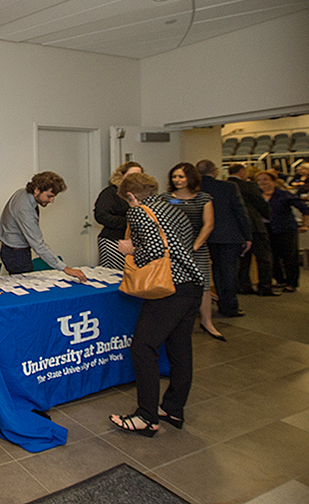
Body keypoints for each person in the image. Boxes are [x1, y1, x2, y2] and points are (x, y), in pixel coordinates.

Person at [109, 173, 203, 437]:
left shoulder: (139, 212)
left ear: (131, 196)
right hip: (192, 286)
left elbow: (153, 253)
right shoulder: (173, 209)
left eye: (127, 200)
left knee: (142, 347)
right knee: (180, 350)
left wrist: (129, 249)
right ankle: (173, 408)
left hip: (168, 289)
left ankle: (146, 416)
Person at [158, 163, 219, 338]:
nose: (177, 180)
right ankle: (172, 322)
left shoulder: (203, 198)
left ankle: (207, 322)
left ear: (190, 178)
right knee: (172, 284)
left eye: (181, 176)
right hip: (172, 250)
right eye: (174, 177)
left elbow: (208, 225)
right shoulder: (165, 198)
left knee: (203, 285)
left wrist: (194, 246)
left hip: (197, 248)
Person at [0, 171, 87, 282]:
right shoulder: (25, 209)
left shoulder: (22, 193)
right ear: (37, 190)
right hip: (16, 254)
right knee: (27, 286)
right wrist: (66, 269)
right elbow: (38, 245)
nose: (52, 201)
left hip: (11, 250)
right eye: (49, 196)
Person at [196, 160, 251, 320]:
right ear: (215, 171)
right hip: (228, 235)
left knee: (212, 271)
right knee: (228, 272)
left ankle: (210, 303)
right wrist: (247, 236)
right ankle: (229, 306)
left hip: (203, 236)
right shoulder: (228, 187)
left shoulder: (194, 188)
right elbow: (240, 212)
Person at [256, 170, 309, 292]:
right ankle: (279, 280)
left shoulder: (284, 195)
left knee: (289, 257)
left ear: (273, 181)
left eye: (265, 179)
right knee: (272, 257)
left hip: (285, 229)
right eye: (259, 180)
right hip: (266, 229)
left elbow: (305, 209)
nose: (262, 182)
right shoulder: (257, 196)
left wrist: (305, 225)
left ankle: (291, 283)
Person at [228, 164, 275, 297]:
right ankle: (265, 287)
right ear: (242, 171)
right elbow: (261, 204)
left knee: (243, 259)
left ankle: (243, 286)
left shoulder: (224, 186)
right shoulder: (249, 186)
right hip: (254, 226)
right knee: (263, 258)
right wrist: (268, 216)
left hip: (235, 227)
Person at [94, 162, 144, 269]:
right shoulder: (111, 192)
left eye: (138, 176)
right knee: (113, 274)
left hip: (135, 243)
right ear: (121, 175)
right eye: (131, 175)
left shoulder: (142, 195)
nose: (134, 179)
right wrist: (129, 222)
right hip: (113, 240)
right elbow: (101, 215)